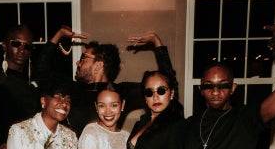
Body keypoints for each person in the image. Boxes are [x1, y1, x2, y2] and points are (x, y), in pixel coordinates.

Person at [34, 26, 177, 137]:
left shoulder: (119, 92)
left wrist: (156, 42)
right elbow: (40, 71)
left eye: (83, 58)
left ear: (98, 65)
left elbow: (167, 84)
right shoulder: (72, 89)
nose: (78, 62)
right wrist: (58, 35)